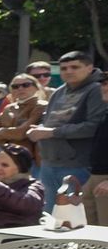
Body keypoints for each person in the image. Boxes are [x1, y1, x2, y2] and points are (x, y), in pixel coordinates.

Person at [29, 50, 106, 213]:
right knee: (50, 216)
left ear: (89, 67)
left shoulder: (97, 89)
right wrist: (40, 129)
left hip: (78, 165)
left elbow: (94, 126)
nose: (68, 71)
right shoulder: (59, 91)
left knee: (75, 217)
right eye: (64, 68)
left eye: (74, 67)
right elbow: (48, 121)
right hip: (49, 163)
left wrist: (52, 132)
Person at [0, 73, 45, 166]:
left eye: (25, 85)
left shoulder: (41, 106)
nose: (20, 89)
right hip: (7, 157)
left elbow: (22, 133)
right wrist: (8, 137)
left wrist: (1, 132)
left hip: (30, 160)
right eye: (15, 86)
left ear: (36, 87)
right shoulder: (8, 108)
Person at [88, 77, 108, 226]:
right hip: (96, 177)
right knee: (91, 236)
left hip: (105, 181)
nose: (105, 88)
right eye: (104, 84)